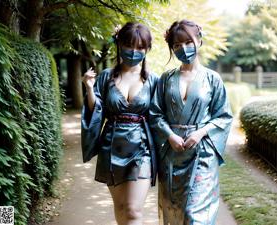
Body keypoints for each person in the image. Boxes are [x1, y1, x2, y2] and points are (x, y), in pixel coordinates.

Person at [149, 19, 233, 225]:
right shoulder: (166, 79)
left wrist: (200, 132)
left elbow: (223, 116)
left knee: (195, 215)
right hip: (172, 154)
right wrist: (169, 135)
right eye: (176, 45)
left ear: (199, 41)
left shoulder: (213, 79)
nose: (183, 48)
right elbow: (155, 113)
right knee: (175, 210)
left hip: (202, 154)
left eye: (188, 42)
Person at [81, 22, 158, 225]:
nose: (134, 52)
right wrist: (89, 88)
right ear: (119, 45)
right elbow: (96, 110)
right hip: (112, 146)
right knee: (122, 208)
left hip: (142, 148)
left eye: (140, 47)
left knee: (133, 210)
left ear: (147, 49)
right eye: (129, 46)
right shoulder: (106, 77)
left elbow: (159, 116)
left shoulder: (154, 80)